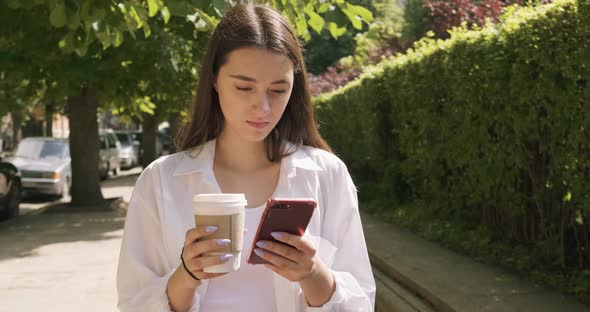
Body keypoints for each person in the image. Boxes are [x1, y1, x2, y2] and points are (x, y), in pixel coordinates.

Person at [116, 2, 375, 311]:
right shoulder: (161, 181)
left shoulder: (326, 175)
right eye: (243, 87)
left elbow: (361, 303)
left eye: (278, 90)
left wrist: (312, 272)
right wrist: (186, 275)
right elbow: (134, 304)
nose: (262, 108)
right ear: (214, 80)